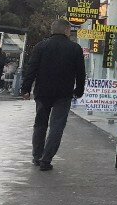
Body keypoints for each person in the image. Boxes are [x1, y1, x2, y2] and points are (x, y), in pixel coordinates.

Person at [21, 19, 86, 171]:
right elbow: (80, 73)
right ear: (66, 30)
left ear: (52, 30)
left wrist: (25, 89)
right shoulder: (75, 48)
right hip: (64, 94)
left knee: (40, 124)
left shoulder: (40, 46)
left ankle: (37, 156)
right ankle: (46, 159)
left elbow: (32, 69)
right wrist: (79, 90)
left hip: (42, 93)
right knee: (57, 125)